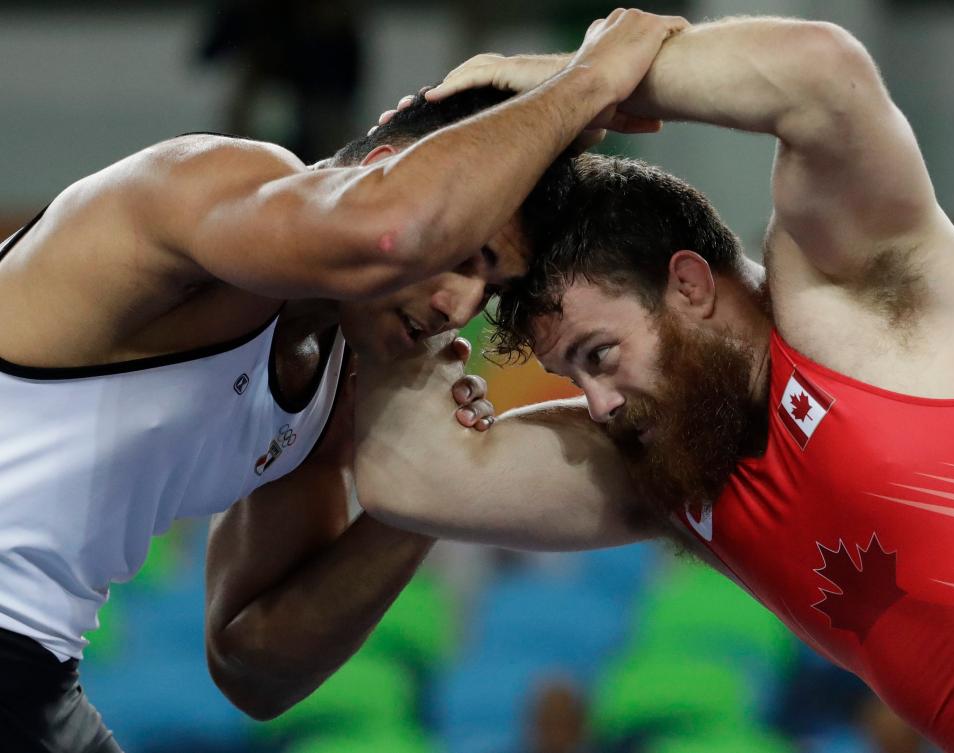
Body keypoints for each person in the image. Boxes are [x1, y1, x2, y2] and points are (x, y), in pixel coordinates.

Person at [356, 15, 954, 753]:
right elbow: (408, 474)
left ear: (689, 286)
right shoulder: (678, 470)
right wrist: (377, 247)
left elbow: (820, 77)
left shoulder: (855, 300)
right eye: (571, 375)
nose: (597, 403)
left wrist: (562, 87)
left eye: (600, 353)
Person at [0, 9, 688, 751]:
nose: (457, 306)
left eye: (486, 288)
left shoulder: (331, 387)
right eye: (460, 254)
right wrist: (589, 81)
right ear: (373, 169)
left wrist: (428, 494)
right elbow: (386, 229)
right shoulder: (207, 182)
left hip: (32, 668)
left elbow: (253, 664)